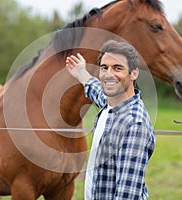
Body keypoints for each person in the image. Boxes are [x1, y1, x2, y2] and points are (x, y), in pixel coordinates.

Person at [66, 40, 155, 200]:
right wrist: (81, 72)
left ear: (134, 73)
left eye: (118, 68)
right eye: (104, 68)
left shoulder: (134, 124)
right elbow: (97, 91)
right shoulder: (110, 105)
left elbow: (127, 195)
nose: (109, 74)